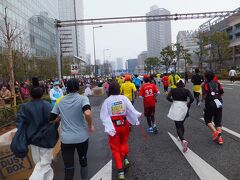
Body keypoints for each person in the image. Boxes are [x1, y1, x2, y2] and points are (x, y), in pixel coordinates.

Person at [51, 78, 94, 180]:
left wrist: (61, 117)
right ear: (78, 87)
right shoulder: (83, 98)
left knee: (69, 166)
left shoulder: (60, 100)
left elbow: (51, 119)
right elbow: (87, 113)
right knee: (83, 162)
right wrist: (90, 125)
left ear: (67, 88)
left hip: (66, 139)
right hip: (82, 138)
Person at [15, 80, 58, 180]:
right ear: (42, 93)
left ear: (30, 94)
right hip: (46, 139)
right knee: (44, 164)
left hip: (32, 139)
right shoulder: (47, 105)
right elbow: (54, 120)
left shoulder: (25, 107)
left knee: (40, 163)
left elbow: (19, 123)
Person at [100, 81, 141, 180]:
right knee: (124, 142)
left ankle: (120, 171)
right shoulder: (124, 98)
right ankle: (125, 158)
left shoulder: (107, 101)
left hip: (114, 125)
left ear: (109, 90)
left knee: (115, 148)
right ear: (119, 89)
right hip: (124, 124)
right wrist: (136, 118)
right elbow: (131, 110)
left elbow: (103, 116)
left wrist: (109, 127)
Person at [167, 79, 194, 152]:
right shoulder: (186, 90)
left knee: (178, 126)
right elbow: (192, 98)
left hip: (176, 107)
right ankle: (180, 136)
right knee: (181, 123)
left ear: (177, 84)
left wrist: (173, 101)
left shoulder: (173, 90)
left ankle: (183, 140)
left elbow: (168, 97)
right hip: (184, 107)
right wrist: (188, 103)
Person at [202, 70, 224, 145]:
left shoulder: (205, 84)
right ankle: (220, 139)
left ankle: (216, 132)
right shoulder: (218, 83)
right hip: (219, 103)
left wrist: (202, 100)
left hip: (210, 103)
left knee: (207, 119)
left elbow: (204, 95)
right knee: (218, 122)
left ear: (206, 77)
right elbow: (222, 93)